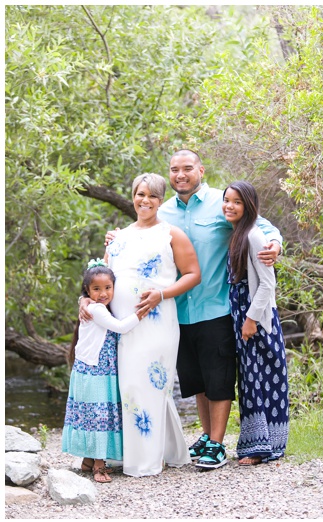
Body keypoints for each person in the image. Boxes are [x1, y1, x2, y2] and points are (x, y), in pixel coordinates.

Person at [157, 149, 283, 469]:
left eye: (187, 168)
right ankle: (207, 435)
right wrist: (114, 238)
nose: (180, 174)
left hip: (218, 307)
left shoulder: (222, 203)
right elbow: (142, 237)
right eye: (174, 169)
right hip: (180, 310)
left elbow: (261, 226)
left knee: (219, 378)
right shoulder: (163, 212)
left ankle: (217, 443)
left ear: (200, 170)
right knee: (197, 381)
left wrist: (276, 244)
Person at [101, 173, 201, 477]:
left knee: (147, 385)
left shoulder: (171, 234)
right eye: (140, 194)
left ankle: (145, 462)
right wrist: (88, 302)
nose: (145, 200)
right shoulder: (119, 236)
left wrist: (161, 293)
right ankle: (168, 450)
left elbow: (193, 274)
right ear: (133, 195)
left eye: (153, 196)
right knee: (131, 386)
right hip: (121, 325)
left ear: (161, 200)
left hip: (156, 323)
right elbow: (103, 277)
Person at [62, 260, 149, 483]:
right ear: (88, 290)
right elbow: (120, 327)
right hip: (94, 371)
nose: (103, 293)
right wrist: (141, 313)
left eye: (108, 288)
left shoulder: (95, 305)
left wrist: (83, 300)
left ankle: (88, 459)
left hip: (100, 369)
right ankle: (99, 464)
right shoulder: (96, 309)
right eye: (96, 289)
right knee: (99, 415)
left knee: (95, 413)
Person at [222, 181, 289, 465]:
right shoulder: (239, 233)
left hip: (258, 320)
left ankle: (263, 447)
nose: (230, 206)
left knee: (261, 381)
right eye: (226, 200)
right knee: (250, 381)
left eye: (236, 202)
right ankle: (258, 445)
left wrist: (250, 321)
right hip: (243, 317)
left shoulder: (253, 236)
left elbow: (267, 284)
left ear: (249, 205)